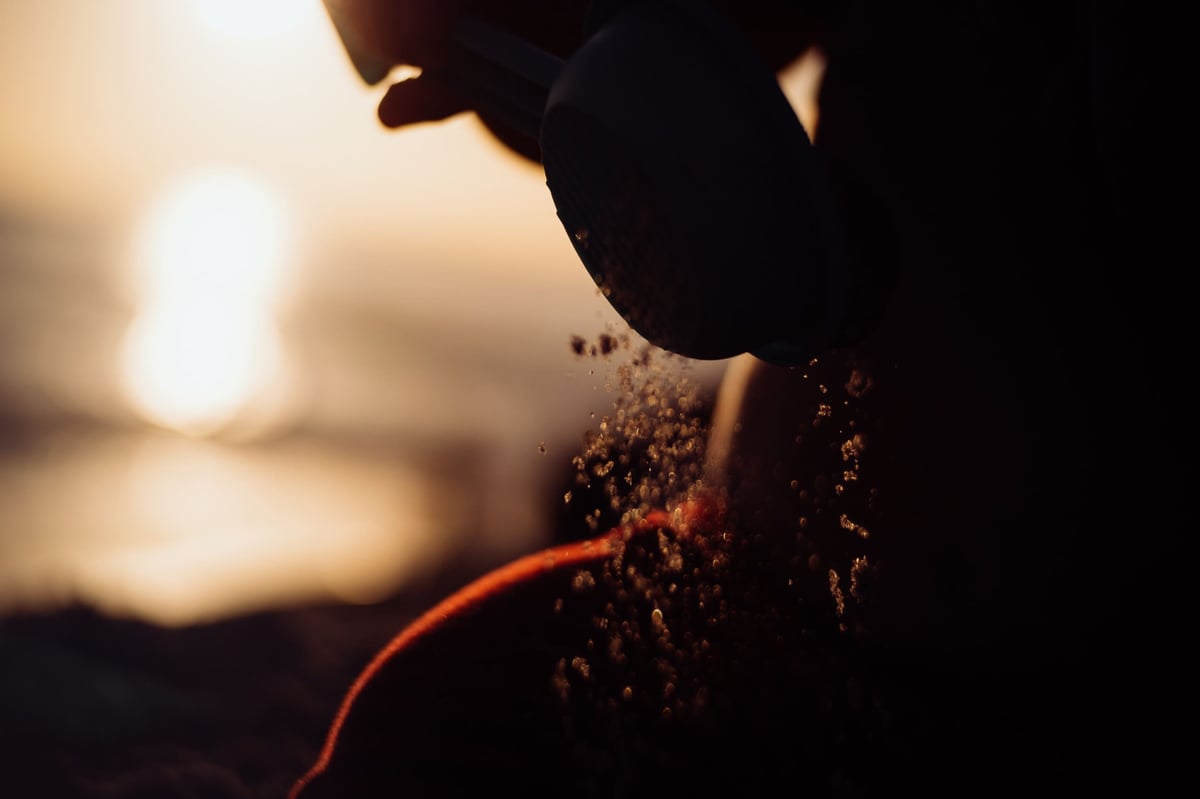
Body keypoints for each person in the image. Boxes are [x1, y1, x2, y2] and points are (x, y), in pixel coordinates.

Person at [293, 2, 1186, 796]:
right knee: (418, 734)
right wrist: (527, 34)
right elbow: (720, 37)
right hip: (754, 582)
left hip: (1089, 695)